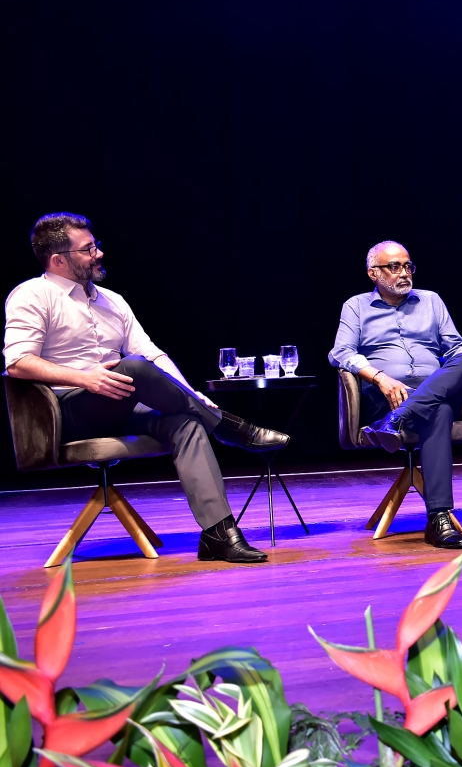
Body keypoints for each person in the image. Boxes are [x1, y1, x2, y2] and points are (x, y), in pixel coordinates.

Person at [3, 213, 288, 563]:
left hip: (120, 405)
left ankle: (219, 533)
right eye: (87, 249)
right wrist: (85, 378)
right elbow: (17, 362)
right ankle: (232, 428)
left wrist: (192, 396)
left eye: (97, 246)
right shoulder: (32, 295)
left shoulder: (113, 300)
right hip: (68, 411)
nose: (98, 254)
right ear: (58, 260)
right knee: (134, 368)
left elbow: (152, 353)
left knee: (187, 422)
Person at [329, 241, 462, 548]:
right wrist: (379, 377)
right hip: (386, 396)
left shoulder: (431, 301)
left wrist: (461, 368)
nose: (404, 273)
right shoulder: (355, 307)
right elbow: (340, 352)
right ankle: (439, 519)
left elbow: (455, 347)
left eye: (408, 266)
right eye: (394, 267)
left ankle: (397, 420)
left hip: (434, 385)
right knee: (438, 411)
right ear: (373, 273)